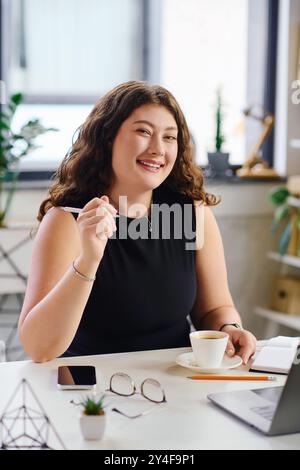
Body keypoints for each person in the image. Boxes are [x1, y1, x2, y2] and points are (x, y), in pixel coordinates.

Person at [18, 80, 256, 363]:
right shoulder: (68, 220)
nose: (158, 149)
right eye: (143, 131)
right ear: (108, 139)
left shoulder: (192, 213)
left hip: (174, 386)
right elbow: (38, 348)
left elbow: (214, 308)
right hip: (90, 393)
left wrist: (229, 328)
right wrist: (89, 260)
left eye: (169, 137)